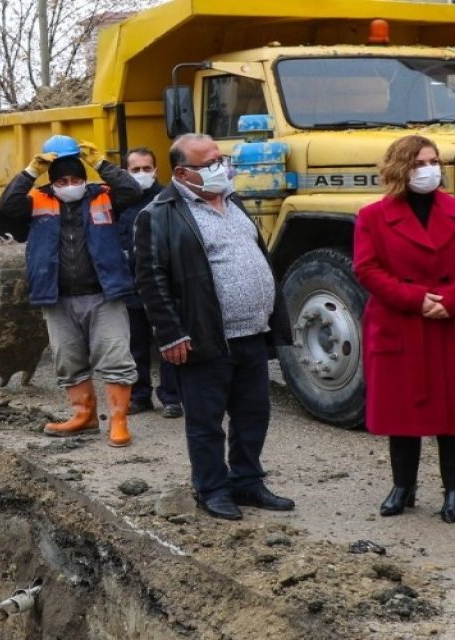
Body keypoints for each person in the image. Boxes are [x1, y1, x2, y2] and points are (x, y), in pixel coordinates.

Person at [133, 133, 293, 521]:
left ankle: (247, 481)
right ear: (184, 173)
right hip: (204, 338)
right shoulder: (159, 214)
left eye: (220, 159)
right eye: (210, 164)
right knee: (206, 422)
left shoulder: (233, 202)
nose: (221, 168)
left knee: (253, 415)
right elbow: (151, 280)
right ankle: (212, 488)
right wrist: (170, 333)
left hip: (251, 333)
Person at [353, 135, 455, 525]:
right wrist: (416, 299)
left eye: (433, 161)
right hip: (402, 321)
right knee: (404, 411)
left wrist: (452, 299)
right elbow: (367, 268)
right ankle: (403, 487)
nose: (430, 169)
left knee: (454, 412)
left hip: (451, 321)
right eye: (419, 163)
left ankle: (454, 492)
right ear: (400, 168)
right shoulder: (373, 217)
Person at [0, 134, 141, 447]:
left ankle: (118, 421)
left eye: (76, 177)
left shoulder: (102, 193)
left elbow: (132, 189)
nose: (70, 183)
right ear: (53, 181)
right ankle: (84, 416)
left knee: (115, 357)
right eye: (62, 179)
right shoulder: (37, 198)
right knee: (68, 359)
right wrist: (29, 171)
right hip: (57, 295)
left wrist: (101, 163)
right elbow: (6, 205)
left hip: (104, 294)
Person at [117, 147, 182, 419]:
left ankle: (171, 397)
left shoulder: (168, 199)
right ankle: (139, 395)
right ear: (125, 172)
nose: (142, 174)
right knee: (136, 345)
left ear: (156, 170)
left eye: (146, 168)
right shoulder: (119, 201)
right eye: (135, 169)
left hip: (162, 285)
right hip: (130, 284)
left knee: (168, 342)